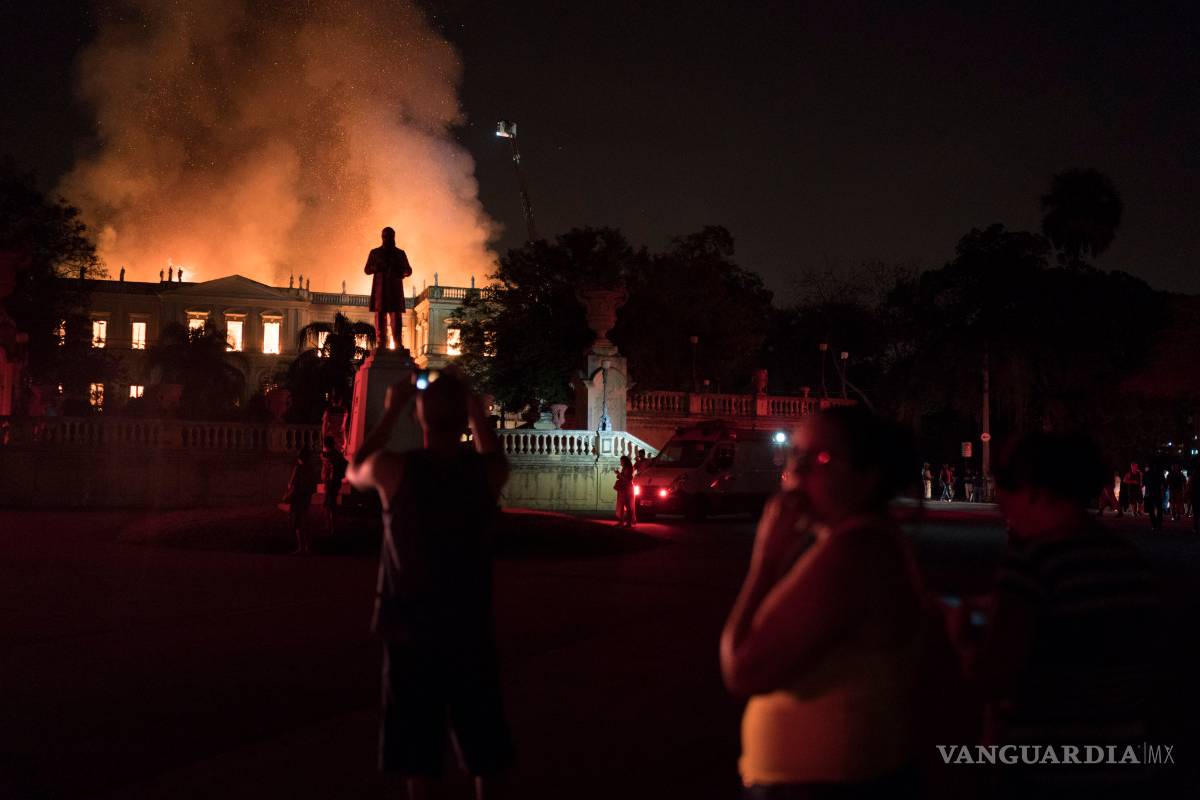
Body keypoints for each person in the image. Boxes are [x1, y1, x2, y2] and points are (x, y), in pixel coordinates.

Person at [721, 406, 925, 798]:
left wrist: (764, 563)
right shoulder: (852, 543)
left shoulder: (854, 552)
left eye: (822, 459)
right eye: (796, 456)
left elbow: (743, 671)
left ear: (867, 477)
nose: (797, 473)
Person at [346, 369, 513, 800]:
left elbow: (354, 470)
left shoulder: (396, 470)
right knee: (485, 749)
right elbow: (493, 455)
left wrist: (389, 411)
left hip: (411, 627)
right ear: (465, 417)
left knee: (418, 756)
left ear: (419, 415)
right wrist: (478, 416)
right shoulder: (487, 475)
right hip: (470, 626)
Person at [977, 432, 1161, 796]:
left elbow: (995, 671)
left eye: (1005, 486)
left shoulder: (1032, 563)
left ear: (1035, 489)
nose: (1001, 502)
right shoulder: (1132, 562)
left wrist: (962, 638)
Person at [365, 226, 413, 353]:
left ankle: (397, 343)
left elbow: (409, 270)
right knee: (380, 317)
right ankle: (381, 343)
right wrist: (378, 267)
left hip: (395, 291)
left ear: (394, 237)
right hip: (380, 291)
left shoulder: (400, 253)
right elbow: (367, 270)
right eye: (385, 236)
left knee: (396, 318)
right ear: (382, 237)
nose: (387, 239)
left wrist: (400, 271)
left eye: (390, 236)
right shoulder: (375, 253)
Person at [283, 446, 319, 554]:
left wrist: (288, 491)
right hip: (306, 497)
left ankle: (301, 547)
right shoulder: (311, 469)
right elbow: (314, 485)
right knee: (305, 522)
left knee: (297, 523)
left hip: (297, 497)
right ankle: (307, 547)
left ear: (300, 458)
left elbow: (292, 483)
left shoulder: (298, 468)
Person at [320, 435, 348, 533]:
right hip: (335, 482)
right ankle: (332, 526)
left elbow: (326, 462)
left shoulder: (329, 455)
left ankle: (331, 527)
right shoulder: (337, 454)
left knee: (329, 505)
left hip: (330, 482)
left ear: (326, 444)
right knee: (331, 504)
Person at [613, 454, 635, 528]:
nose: (621, 463)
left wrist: (619, 474)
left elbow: (627, 479)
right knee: (622, 505)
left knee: (627, 506)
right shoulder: (625, 468)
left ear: (625, 461)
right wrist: (618, 474)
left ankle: (628, 523)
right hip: (623, 489)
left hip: (627, 489)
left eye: (621, 461)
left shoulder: (628, 468)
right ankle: (621, 522)